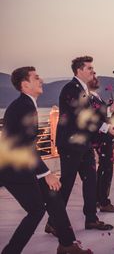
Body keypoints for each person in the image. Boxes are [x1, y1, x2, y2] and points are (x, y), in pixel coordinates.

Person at [0, 66, 91, 254]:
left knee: (53, 197)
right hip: (13, 169)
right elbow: (23, 144)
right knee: (36, 211)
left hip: (20, 164)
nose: (41, 80)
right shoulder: (24, 106)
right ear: (25, 85)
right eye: (36, 78)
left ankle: (67, 245)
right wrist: (46, 173)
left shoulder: (26, 104)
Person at [51, 56, 114, 231]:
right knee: (66, 183)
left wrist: (110, 114)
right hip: (71, 144)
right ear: (79, 70)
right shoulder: (71, 89)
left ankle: (91, 219)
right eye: (89, 68)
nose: (92, 71)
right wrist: (106, 128)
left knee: (90, 180)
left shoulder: (85, 91)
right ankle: (53, 222)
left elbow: (93, 114)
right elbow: (82, 116)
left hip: (85, 144)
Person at [88, 75, 114, 213]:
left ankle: (98, 199)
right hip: (98, 137)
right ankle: (103, 202)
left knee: (104, 168)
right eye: (92, 76)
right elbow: (90, 118)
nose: (96, 78)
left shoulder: (95, 95)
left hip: (102, 136)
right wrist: (107, 129)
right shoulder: (87, 96)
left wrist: (110, 109)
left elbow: (99, 113)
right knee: (106, 169)